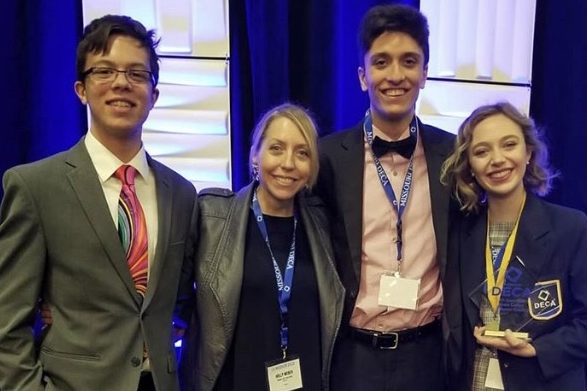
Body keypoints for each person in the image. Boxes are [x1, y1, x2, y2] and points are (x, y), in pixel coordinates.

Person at [0, 15, 198, 391]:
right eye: (104, 71)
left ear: (154, 95)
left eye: (137, 74)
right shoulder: (35, 186)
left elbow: (180, 298)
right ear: (81, 89)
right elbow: (6, 322)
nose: (121, 83)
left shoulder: (182, 193)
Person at [314, 4, 459, 391]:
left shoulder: (455, 155)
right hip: (352, 354)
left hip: (428, 354)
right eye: (381, 62)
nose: (395, 75)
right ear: (363, 76)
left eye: (409, 61)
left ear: (425, 73)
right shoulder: (326, 158)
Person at [179, 103, 344, 391]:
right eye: (276, 149)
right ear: (256, 156)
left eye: (302, 153)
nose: (288, 163)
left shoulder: (324, 223)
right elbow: (179, 304)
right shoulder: (211, 216)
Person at [441, 101, 587, 390]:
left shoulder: (571, 228)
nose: (497, 160)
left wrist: (537, 350)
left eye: (509, 145)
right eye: (482, 151)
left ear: (528, 152)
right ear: (470, 165)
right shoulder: (459, 232)